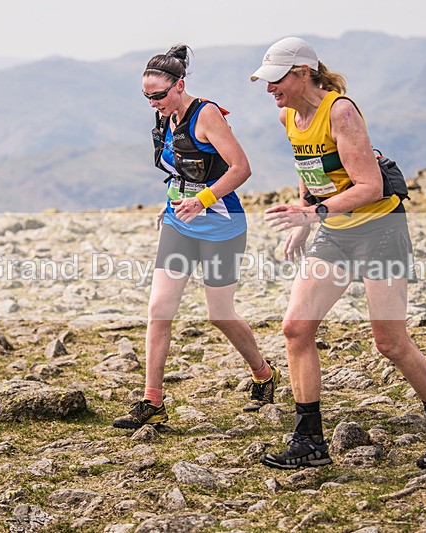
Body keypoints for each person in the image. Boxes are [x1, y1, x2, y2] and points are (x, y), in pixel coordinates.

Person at [250, 37, 426, 470]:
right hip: (336, 232)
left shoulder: (341, 111)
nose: (269, 88)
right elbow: (307, 166)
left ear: (301, 74)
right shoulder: (288, 114)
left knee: (389, 341)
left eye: (275, 80)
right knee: (295, 329)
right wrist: (306, 217)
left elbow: (370, 186)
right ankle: (310, 441)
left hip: (380, 231)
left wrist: (312, 214)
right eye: (265, 80)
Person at [112, 44, 279, 429]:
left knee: (219, 315)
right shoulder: (164, 118)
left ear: (179, 85)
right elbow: (179, 171)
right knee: (159, 310)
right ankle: (153, 401)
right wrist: (172, 202)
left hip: (222, 226)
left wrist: (202, 200)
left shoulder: (206, 115)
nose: (152, 102)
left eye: (158, 95)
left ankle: (263, 373)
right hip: (178, 224)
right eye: (146, 96)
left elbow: (241, 168)